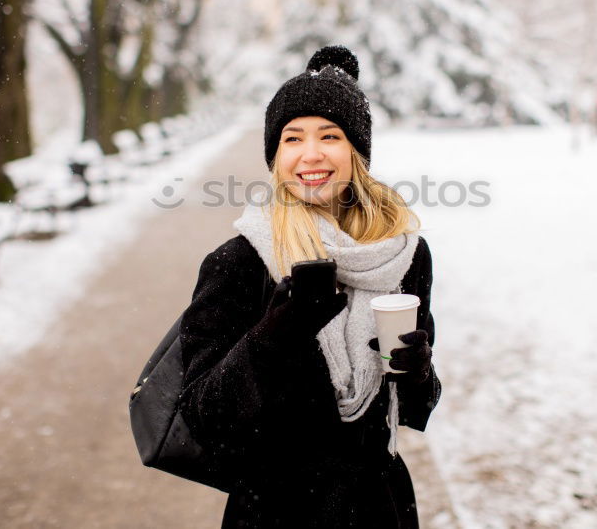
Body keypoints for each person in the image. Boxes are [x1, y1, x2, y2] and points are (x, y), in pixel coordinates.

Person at [179, 45, 441, 528]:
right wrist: (281, 329)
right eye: (292, 138)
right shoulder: (240, 262)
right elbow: (203, 414)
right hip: (275, 510)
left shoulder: (404, 256)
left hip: (378, 505)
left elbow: (414, 407)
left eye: (330, 136)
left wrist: (418, 373)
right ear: (276, 157)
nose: (311, 154)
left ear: (356, 154)